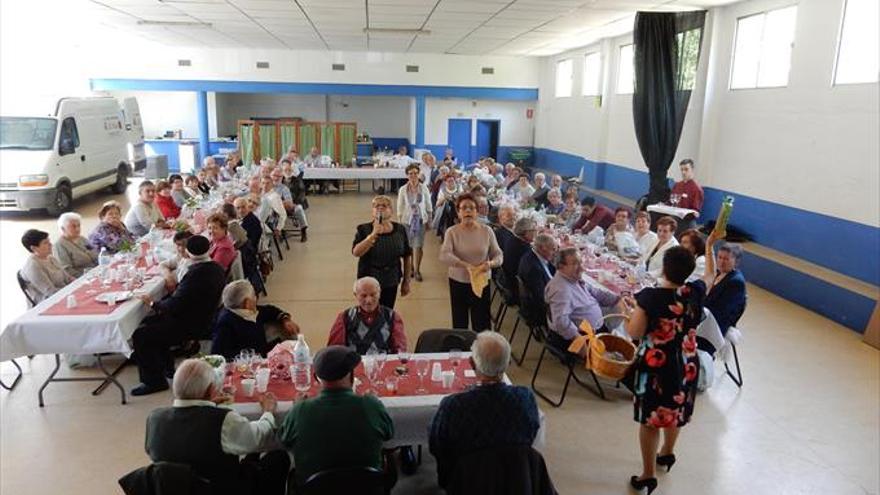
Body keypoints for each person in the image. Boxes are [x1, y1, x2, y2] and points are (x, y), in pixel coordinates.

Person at [624, 231, 720, 494]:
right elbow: (711, 276)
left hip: (656, 366)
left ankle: (647, 474)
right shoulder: (694, 292)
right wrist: (710, 245)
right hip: (686, 362)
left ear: (664, 268)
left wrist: (626, 315)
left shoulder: (648, 298)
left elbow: (634, 332)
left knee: (650, 420)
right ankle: (667, 452)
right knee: (673, 410)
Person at [144, 359, 289, 495]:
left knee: (247, 453)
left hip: (173, 488)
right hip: (220, 489)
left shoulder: (154, 418)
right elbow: (259, 437)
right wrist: (268, 412)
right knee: (279, 457)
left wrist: (208, 401)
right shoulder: (223, 420)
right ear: (211, 389)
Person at [429, 331, 540, 488]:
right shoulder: (525, 398)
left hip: (468, 482)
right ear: (507, 363)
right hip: (516, 481)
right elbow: (531, 435)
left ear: (472, 363)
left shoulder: (453, 405)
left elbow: (436, 445)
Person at [277, 346, 395, 487]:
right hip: (366, 488)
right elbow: (389, 433)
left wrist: (297, 408)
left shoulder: (301, 409)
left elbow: (283, 441)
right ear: (351, 375)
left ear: (316, 378)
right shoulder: (370, 405)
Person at [131, 236, 226, 395]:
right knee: (150, 324)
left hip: (190, 324)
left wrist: (153, 303)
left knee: (140, 334)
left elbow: (175, 305)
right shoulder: (215, 267)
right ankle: (167, 368)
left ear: (188, 252)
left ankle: (154, 382)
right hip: (202, 315)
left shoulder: (195, 274)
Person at [440, 194, 503, 331]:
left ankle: (482, 351)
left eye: (472, 208)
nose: (468, 211)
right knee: (460, 321)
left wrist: (490, 264)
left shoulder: (487, 231)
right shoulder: (452, 232)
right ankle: (462, 350)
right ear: (458, 212)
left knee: (482, 322)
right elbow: (444, 255)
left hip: (481, 282)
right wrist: (465, 265)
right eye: (464, 208)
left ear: (477, 212)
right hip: (458, 282)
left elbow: (498, 255)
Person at [544, 248, 626, 349]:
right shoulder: (561, 290)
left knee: (622, 314)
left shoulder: (573, 278)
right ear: (561, 266)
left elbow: (597, 293)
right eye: (575, 263)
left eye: (581, 262)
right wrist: (580, 344)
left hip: (597, 328)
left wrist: (620, 298)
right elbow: (561, 322)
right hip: (584, 337)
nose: (582, 267)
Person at [211, 280, 299, 359]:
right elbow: (218, 355)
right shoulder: (225, 325)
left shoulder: (246, 310)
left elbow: (270, 310)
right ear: (247, 303)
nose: (256, 298)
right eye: (254, 295)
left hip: (261, 349)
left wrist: (285, 320)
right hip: (251, 361)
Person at [352, 196, 412, 309]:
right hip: (369, 279)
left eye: (384, 205)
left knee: (387, 310)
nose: (380, 208)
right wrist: (373, 235)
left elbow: (407, 255)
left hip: (391, 279)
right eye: (376, 206)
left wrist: (406, 281)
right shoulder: (364, 229)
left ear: (391, 211)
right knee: (369, 310)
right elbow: (356, 252)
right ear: (372, 211)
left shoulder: (400, 229)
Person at [327, 277, 407, 354]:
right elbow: (335, 350)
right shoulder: (345, 317)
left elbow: (400, 349)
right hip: (353, 365)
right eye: (363, 295)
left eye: (373, 295)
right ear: (356, 295)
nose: (368, 300)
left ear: (379, 293)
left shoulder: (392, 317)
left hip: (383, 364)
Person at [704, 243, 747, 341]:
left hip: (715, 325)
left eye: (726, 259)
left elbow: (723, 312)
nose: (721, 262)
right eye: (719, 257)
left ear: (736, 262)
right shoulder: (717, 273)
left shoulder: (736, 282)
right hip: (706, 316)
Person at [397, 163, 432, 282]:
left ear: (418, 174)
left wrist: (430, 220)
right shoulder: (402, 189)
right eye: (410, 173)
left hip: (420, 220)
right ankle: (410, 268)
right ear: (407, 175)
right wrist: (400, 221)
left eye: (415, 173)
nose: (413, 175)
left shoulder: (424, 188)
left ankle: (417, 270)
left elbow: (428, 204)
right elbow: (400, 206)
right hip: (407, 221)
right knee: (409, 246)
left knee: (418, 246)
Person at [19, 229, 74, 304]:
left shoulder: (50, 258)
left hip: (65, 294)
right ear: (34, 248)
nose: (51, 244)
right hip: (48, 303)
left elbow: (68, 278)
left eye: (49, 241)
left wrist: (81, 285)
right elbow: (50, 292)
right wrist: (73, 290)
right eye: (45, 243)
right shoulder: (33, 266)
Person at [501, 217, 537, 302]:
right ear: (525, 232)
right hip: (517, 289)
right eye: (534, 230)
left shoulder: (513, 239)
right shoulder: (524, 249)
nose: (536, 233)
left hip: (509, 281)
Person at [517, 233, 558, 309]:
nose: (555, 253)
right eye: (553, 249)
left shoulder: (533, 255)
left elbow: (551, 269)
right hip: (541, 310)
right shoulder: (534, 269)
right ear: (542, 248)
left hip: (548, 292)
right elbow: (542, 298)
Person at [53, 212, 99, 278]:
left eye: (79, 225)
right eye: (73, 226)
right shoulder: (59, 246)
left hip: (96, 272)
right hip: (82, 278)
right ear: (63, 228)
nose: (77, 229)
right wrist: (88, 276)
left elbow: (94, 253)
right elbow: (67, 270)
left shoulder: (82, 239)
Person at [270, 167, 309, 242]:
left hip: (283, 209)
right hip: (272, 210)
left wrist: (276, 204)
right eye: (275, 176)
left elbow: (289, 203)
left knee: (299, 208)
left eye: (279, 176)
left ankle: (303, 230)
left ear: (282, 178)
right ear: (271, 176)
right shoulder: (267, 185)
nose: (276, 178)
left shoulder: (284, 188)